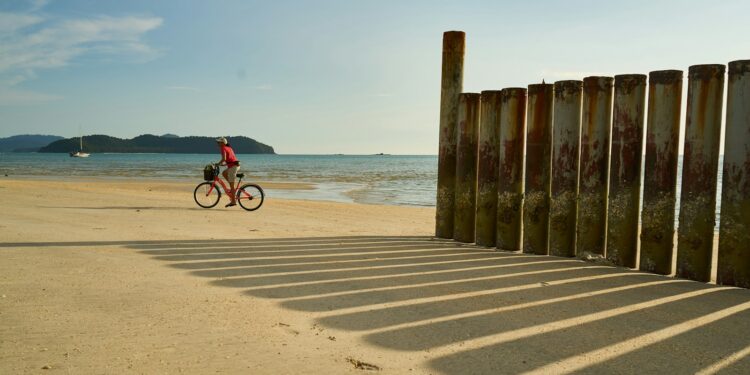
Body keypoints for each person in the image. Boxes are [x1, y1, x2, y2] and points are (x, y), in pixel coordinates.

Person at [216, 137, 240, 207]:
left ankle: (233, 201)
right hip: (235, 165)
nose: (218, 143)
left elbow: (224, 159)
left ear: (223, 143)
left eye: (219, 142)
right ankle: (232, 191)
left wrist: (218, 164)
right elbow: (231, 159)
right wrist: (225, 164)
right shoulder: (229, 148)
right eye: (218, 142)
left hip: (233, 167)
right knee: (224, 173)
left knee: (231, 186)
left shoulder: (223, 148)